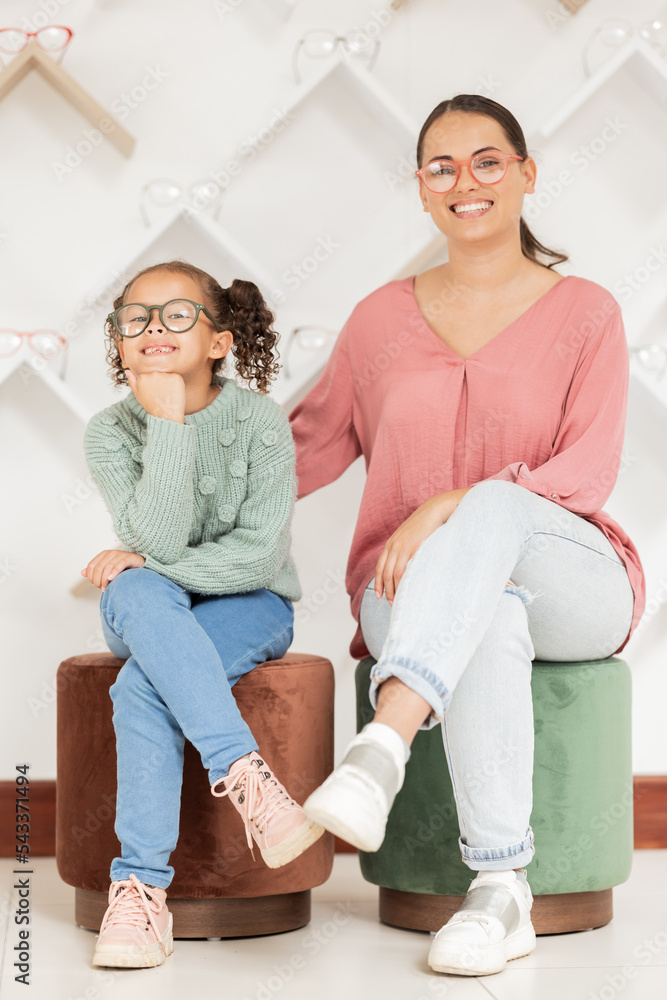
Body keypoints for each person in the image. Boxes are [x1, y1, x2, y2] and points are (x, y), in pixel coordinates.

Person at [289, 94, 645, 978]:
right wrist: (170, 491)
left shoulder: (587, 313)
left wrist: (449, 501)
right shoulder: (378, 320)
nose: (465, 181)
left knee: (492, 510)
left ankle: (381, 750)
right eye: (441, 166)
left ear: (526, 174)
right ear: (420, 189)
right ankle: (498, 894)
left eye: (487, 161)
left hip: (576, 579)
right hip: (401, 592)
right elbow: (300, 449)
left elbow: (585, 472)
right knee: (492, 612)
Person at [81, 260, 323, 969]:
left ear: (219, 341)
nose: (154, 327)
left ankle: (138, 888)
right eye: (136, 317)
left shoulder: (261, 421)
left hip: (252, 607)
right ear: (119, 342)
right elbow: (155, 542)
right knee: (131, 590)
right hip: (152, 609)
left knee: (138, 682)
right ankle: (249, 776)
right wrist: (168, 425)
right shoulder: (110, 432)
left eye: (177, 314)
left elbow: (253, 561)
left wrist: (147, 565)